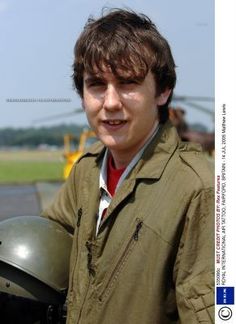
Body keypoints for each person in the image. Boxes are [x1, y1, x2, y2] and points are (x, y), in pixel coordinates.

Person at [42, 8, 214, 324]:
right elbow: (48, 245)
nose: (110, 103)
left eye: (128, 83)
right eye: (96, 84)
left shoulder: (199, 190)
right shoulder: (87, 171)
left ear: (163, 91)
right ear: (82, 95)